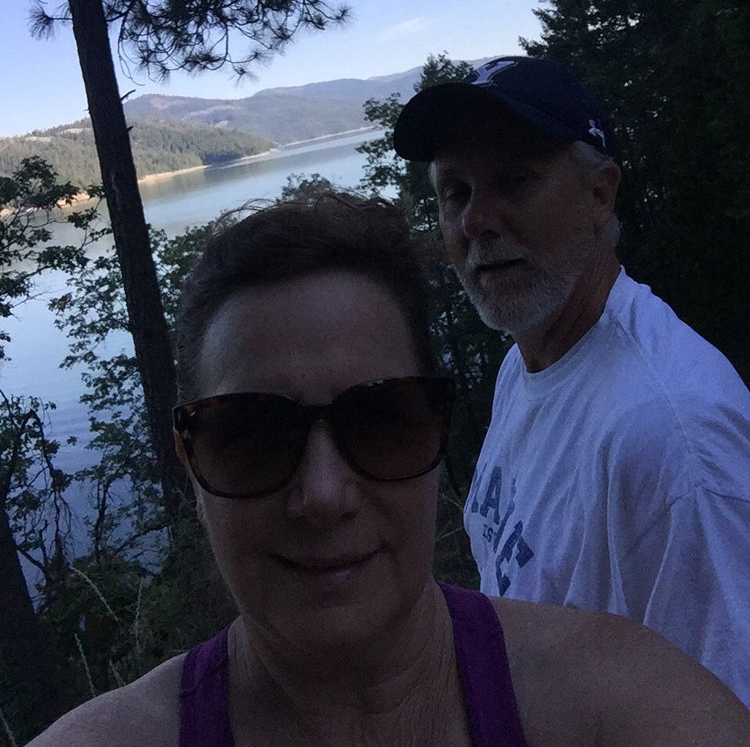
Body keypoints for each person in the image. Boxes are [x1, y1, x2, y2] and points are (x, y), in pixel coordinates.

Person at [27, 193, 750, 747]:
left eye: (380, 421)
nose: (323, 495)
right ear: (190, 463)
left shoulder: (622, 706)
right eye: (251, 436)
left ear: (437, 430)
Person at [393, 55, 750, 708]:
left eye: (515, 179)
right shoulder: (525, 364)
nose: (476, 221)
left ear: (599, 195)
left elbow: (726, 712)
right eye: (456, 192)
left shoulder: (672, 440)